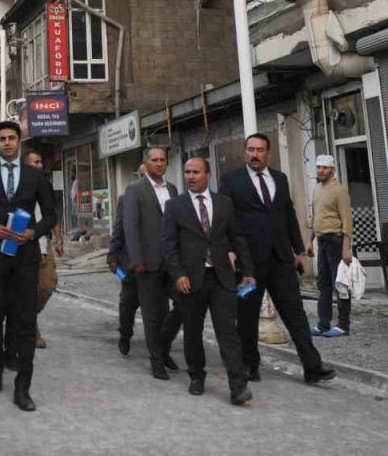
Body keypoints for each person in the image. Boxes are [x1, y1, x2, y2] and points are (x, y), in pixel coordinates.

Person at [220, 133, 335, 385]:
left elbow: (289, 215)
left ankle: (312, 368)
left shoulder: (280, 179)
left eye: (260, 150)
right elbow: (224, 219)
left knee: (295, 314)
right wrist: (229, 251)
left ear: (268, 154)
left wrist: (299, 250)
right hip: (248, 263)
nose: (255, 154)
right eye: (251, 149)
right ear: (245, 152)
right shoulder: (231, 180)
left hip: (280, 259)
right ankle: (249, 365)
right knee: (247, 315)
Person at [0, 120, 57, 412]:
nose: (7, 142)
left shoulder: (35, 175)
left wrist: (33, 232)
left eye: (11, 138)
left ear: (19, 141)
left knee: (25, 319)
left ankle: (23, 386)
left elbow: (51, 215)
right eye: (2, 138)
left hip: (25, 256)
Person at [162, 156, 255, 405]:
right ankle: (196, 376)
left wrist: (247, 271)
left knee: (228, 333)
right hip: (191, 280)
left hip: (222, 277)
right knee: (193, 332)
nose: (190, 177)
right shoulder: (175, 206)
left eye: (196, 172)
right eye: (187, 172)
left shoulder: (224, 203)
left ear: (208, 175)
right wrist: (178, 274)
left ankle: (238, 386)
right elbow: (169, 245)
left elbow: (237, 238)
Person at [121, 146, 183, 379]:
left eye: (162, 160)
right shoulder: (135, 190)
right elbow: (130, 226)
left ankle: (164, 348)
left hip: (172, 262)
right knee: (152, 313)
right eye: (154, 160)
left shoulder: (173, 189)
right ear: (145, 163)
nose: (159, 164)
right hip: (147, 263)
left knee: (182, 306)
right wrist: (136, 258)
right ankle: (156, 360)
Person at [307, 154, 354, 338]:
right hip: (321, 240)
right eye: (319, 167)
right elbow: (315, 217)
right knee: (323, 284)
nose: (321, 171)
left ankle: (343, 325)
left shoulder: (339, 191)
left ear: (332, 170)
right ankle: (323, 324)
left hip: (336, 240)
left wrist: (346, 248)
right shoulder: (317, 189)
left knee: (340, 283)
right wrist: (309, 241)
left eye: (325, 168)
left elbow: (347, 220)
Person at [23, 147, 63, 350]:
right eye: (35, 162)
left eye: (41, 162)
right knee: (28, 287)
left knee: (48, 283)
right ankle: (31, 327)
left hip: (43, 241)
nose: (40, 165)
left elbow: (51, 213)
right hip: (23, 240)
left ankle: (28, 313)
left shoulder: (45, 185)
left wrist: (59, 239)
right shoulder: (18, 186)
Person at [106, 196, 139, 356]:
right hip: (131, 262)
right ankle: (125, 334)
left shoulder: (168, 194)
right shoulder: (127, 199)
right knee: (128, 303)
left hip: (158, 264)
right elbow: (118, 230)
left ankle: (161, 348)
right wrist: (112, 256)